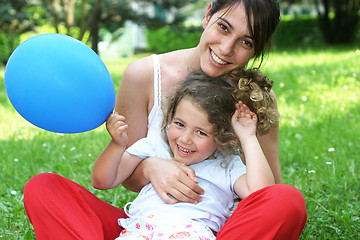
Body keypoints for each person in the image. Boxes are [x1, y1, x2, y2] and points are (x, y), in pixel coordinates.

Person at [24, 0, 307, 239]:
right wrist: (151, 168)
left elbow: (267, 195)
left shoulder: (255, 99)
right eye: (223, 27)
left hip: (215, 228)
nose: (226, 48)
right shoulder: (144, 75)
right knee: (43, 188)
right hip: (144, 225)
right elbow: (120, 177)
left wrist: (247, 135)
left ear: (256, 50)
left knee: (288, 201)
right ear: (208, 14)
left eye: (246, 42)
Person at [92, 70, 277, 239]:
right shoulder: (155, 146)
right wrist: (117, 145)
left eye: (201, 133)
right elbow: (102, 180)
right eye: (179, 124)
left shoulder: (227, 166)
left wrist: (248, 137)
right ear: (170, 117)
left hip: (192, 232)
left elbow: (261, 195)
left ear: (222, 137)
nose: (185, 139)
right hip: (141, 230)